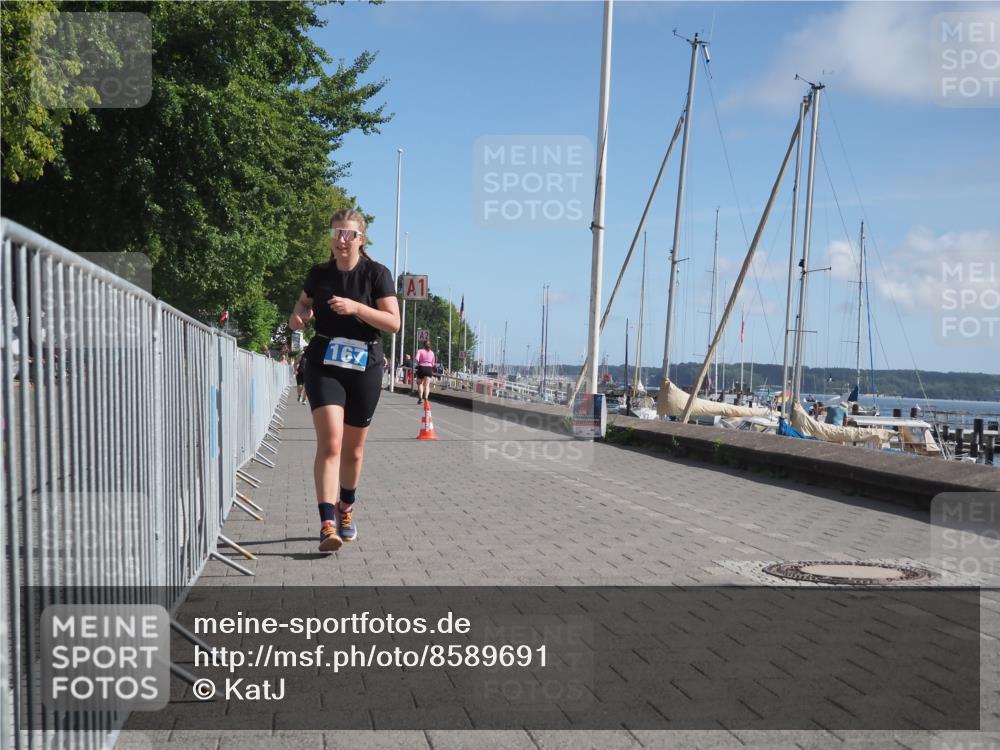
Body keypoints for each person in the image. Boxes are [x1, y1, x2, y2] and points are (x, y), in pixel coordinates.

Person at [287, 208, 400, 553]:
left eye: (348, 233)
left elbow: (393, 323)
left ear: (360, 239)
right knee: (332, 443)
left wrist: (356, 308)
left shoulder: (375, 274)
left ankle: (345, 508)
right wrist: (299, 317)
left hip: (365, 363)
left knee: (353, 450)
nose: (341, 239)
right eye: (336, 232)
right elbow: (303, 305)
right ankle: (326, 523)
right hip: (325, 361)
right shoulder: (319, 273)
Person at [414, 340, 436, 404]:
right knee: (427, 385)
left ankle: (420, 398)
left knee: (420, 383)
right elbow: (433, 363)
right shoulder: (432, 353)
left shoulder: (420, 351)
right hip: (429, 368)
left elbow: (416, 359)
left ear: (423, 345)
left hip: (421, 367)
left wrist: (419, 363)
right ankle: (426, 398)